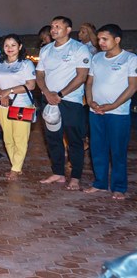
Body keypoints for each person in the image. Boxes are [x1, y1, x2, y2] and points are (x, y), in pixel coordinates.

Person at [36, 16, 90, 190]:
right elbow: (40, 75)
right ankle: (58, 172)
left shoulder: (78, 49)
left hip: (70, 101)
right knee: (53, 138)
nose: (53, 29)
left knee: (74, 139)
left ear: (68, 30)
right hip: (49, 101)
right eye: (52, 26)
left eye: (58, 26)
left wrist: (60, 94)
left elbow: (81, 76)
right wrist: (46, 92)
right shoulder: (46, 50)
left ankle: (75, 176)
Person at [84, 24, 136, 200]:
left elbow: (132, 86)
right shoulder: (97, 58)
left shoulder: (130, 59)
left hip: (117, 113)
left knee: (117, 150)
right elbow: (89, 82)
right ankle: (100, 183)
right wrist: (90, 101)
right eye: (99, 39)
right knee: (97, 148)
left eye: (105, 39)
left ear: (117, 40)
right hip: (95, 111)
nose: (100, 42)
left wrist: (113, 105)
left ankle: (119, 186)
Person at [0, 34, 38, 180]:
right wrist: (1, 95)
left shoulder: (26, 64)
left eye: (13, 45)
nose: (10, 48)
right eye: (6, 45)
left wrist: (9, 91)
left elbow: (31, 85)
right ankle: (15, 164)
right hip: (3, 105)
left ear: (20, 47)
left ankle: (16, 169)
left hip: (20, 105)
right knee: (8, 138)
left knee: (20, 138)